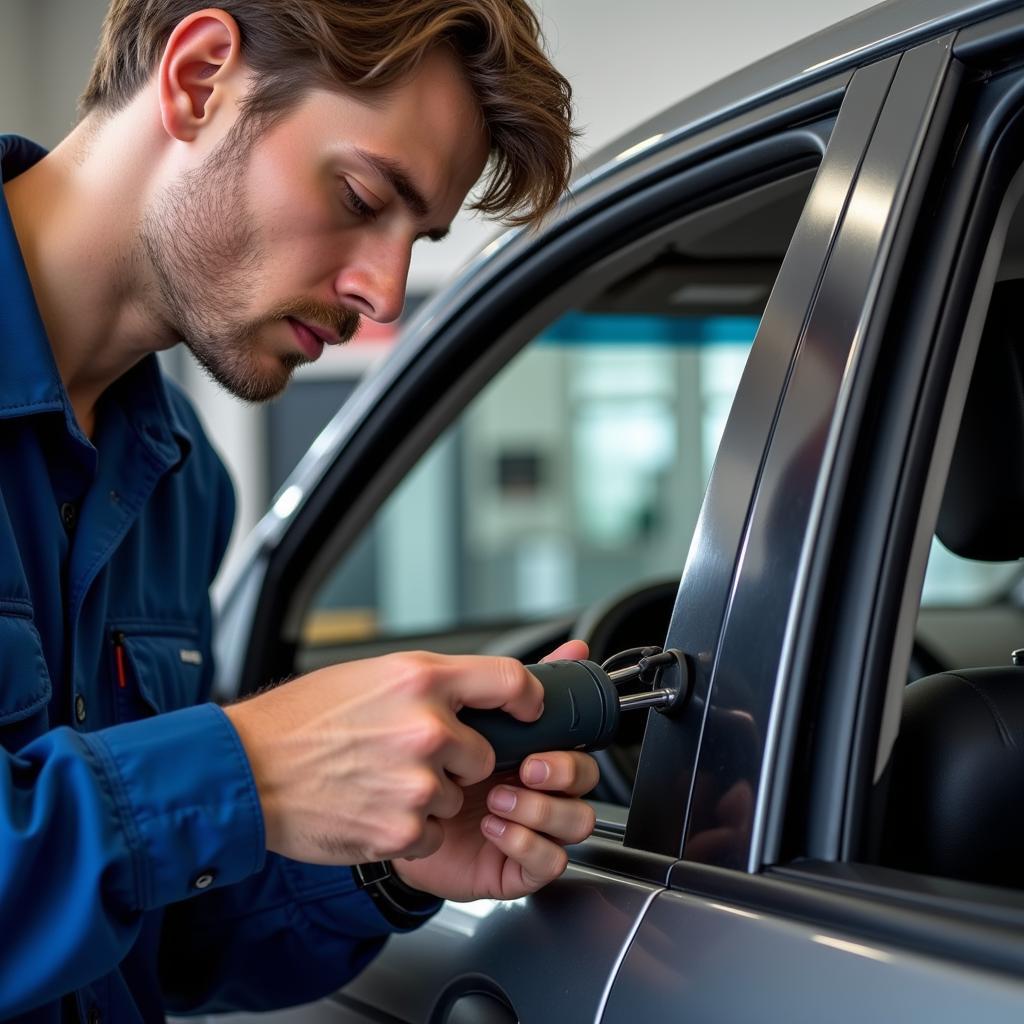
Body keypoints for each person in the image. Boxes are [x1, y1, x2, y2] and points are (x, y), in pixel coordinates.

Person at [0, 2, 598, 1019]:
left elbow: (153, 934)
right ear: (198, 80)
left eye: (418, 236)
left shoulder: (183, 486)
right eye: (364, 195)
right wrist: (243, 767)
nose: (386, 294)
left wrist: (386, 861)